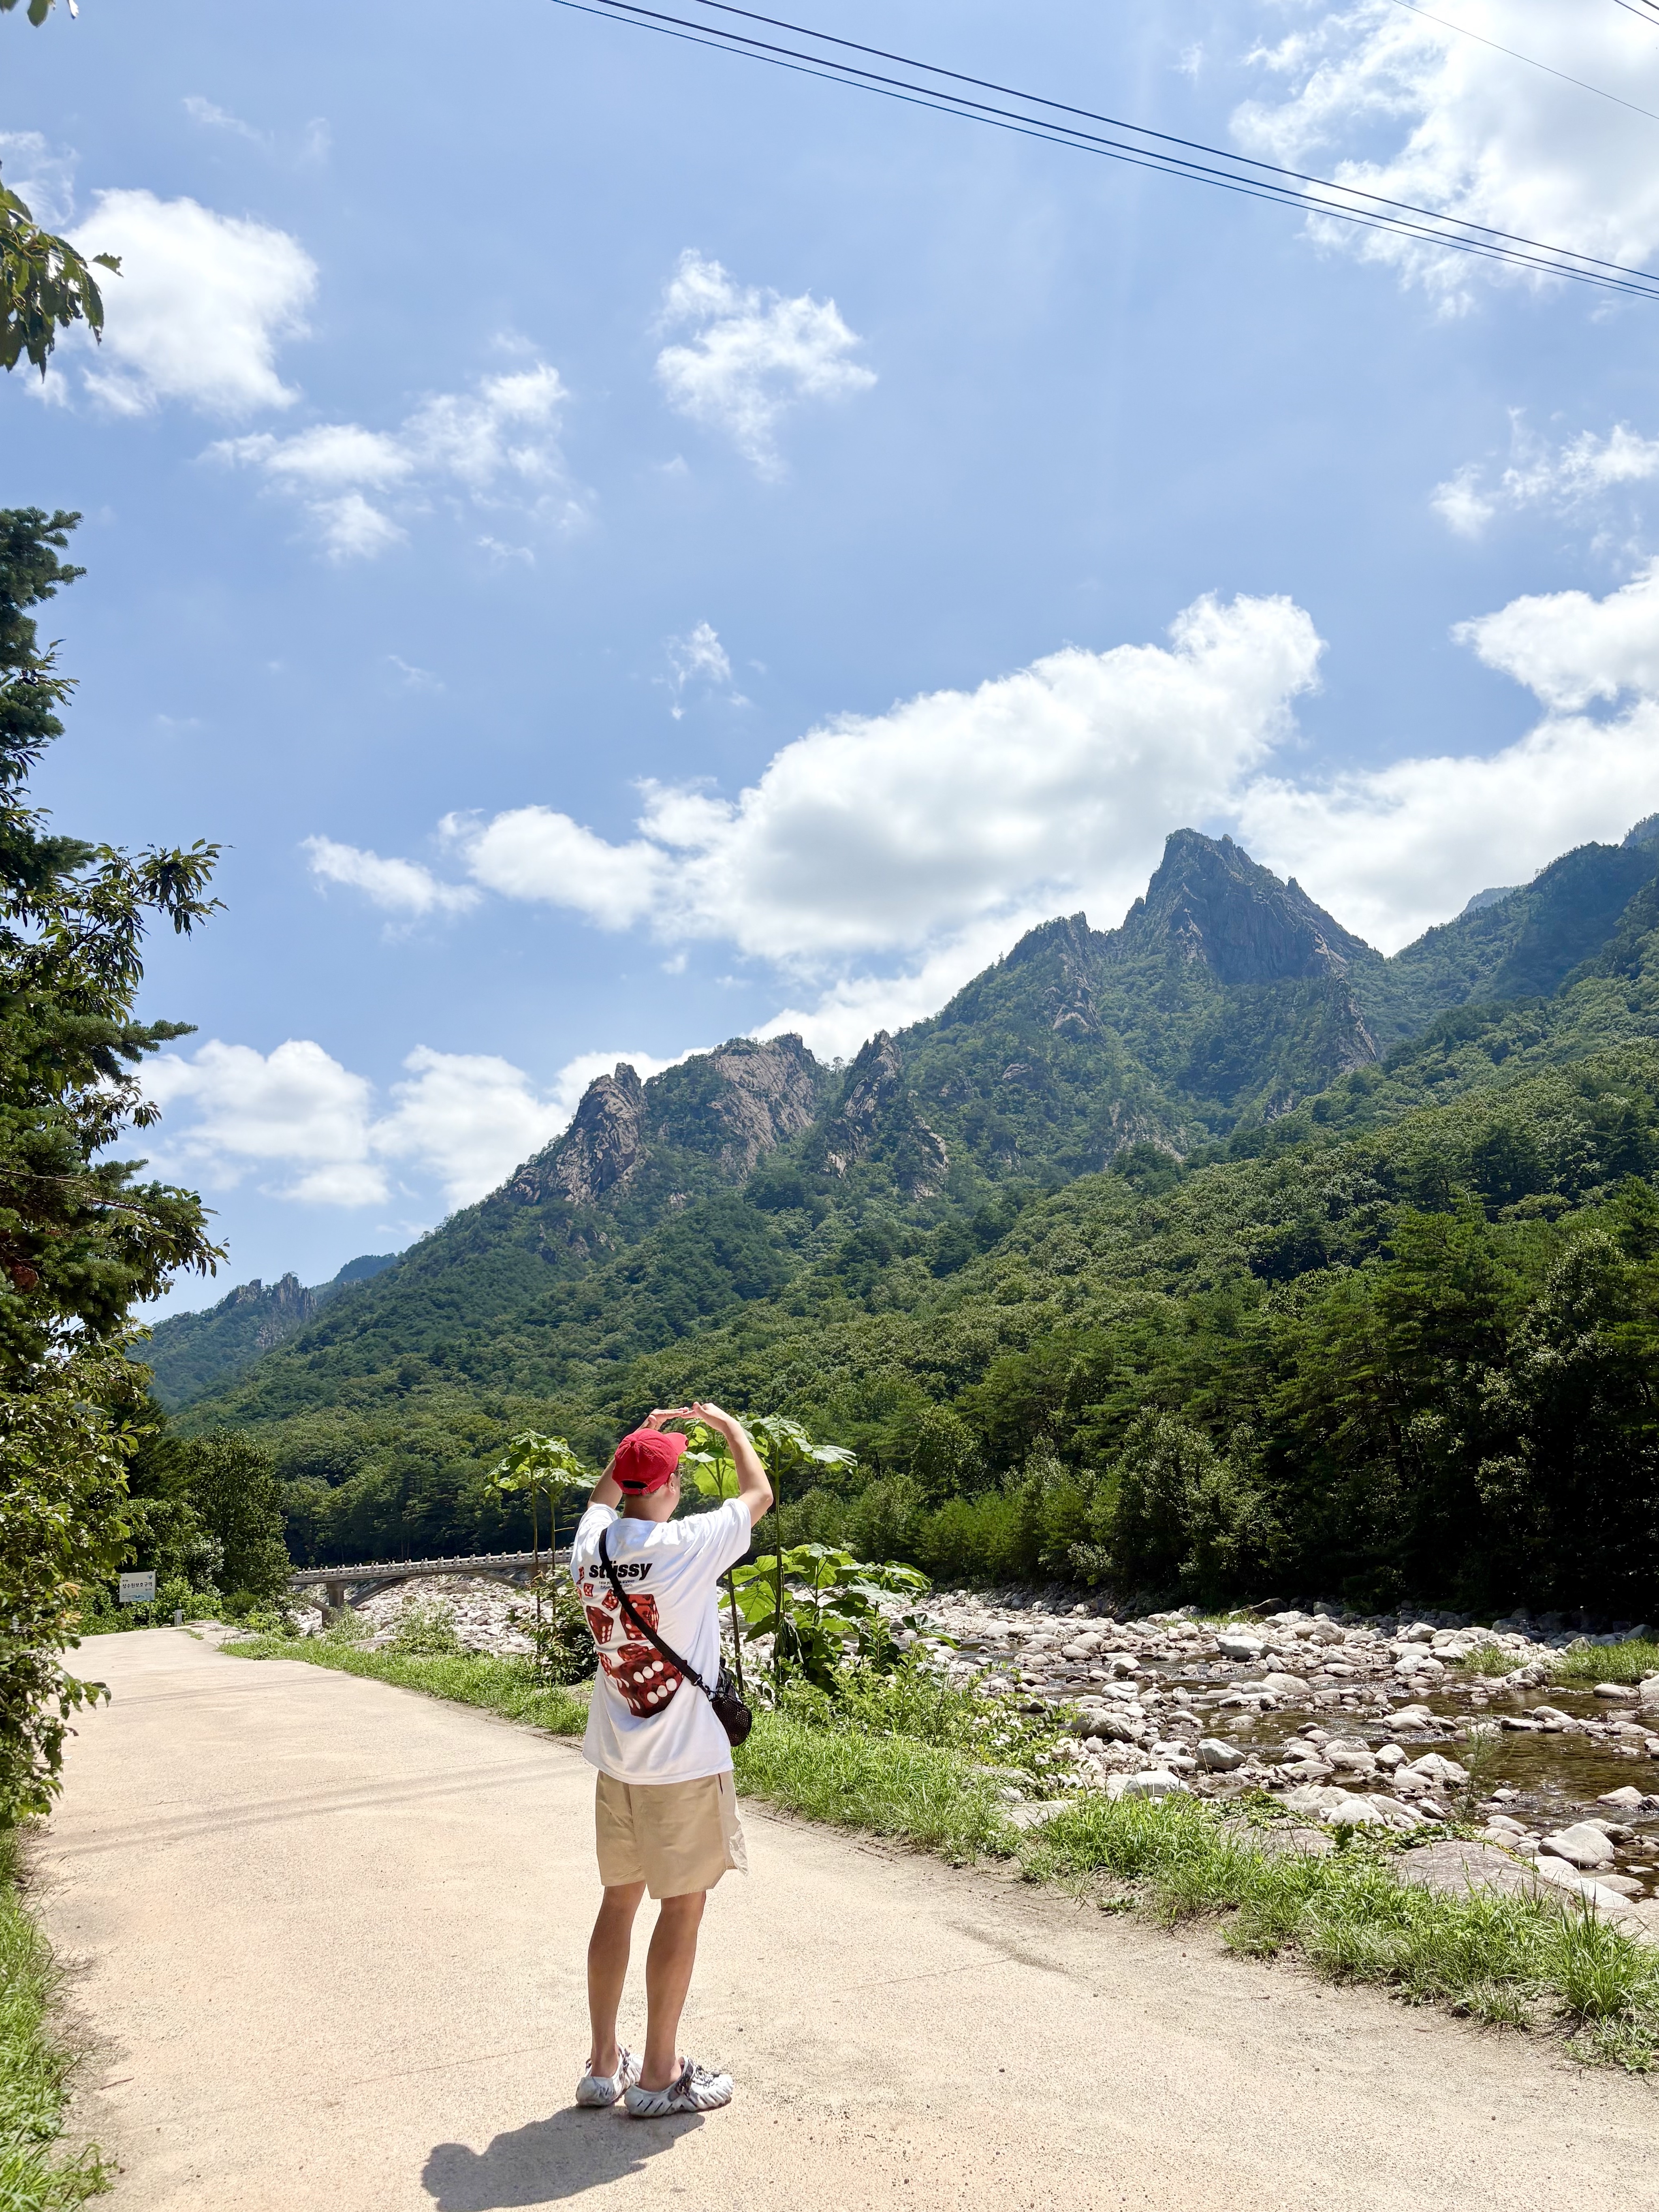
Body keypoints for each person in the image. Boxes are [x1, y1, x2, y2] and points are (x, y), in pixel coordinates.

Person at [570, 1400, 772, 2120]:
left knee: (618, 1902)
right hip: (682, 1766)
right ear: (670, 1485)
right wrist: (732, 1430)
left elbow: (599, 1503)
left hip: (616, 1762)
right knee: (682, 1908)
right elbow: (758, 1494)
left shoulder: (590, 1547)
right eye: (675, 1473)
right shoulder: (687, 1545)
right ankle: (660, 2076)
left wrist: (636, 1441)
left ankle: (603, 2066)